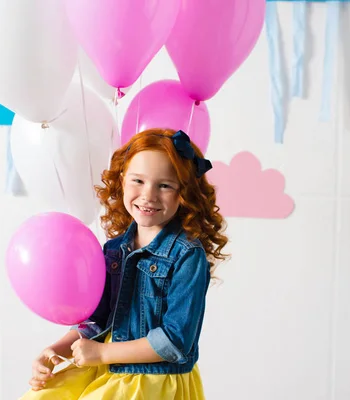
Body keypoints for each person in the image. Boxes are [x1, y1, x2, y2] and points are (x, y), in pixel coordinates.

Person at [19, 128, 229, 400]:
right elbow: (99, 320)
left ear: (183, 193)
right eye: (138, 181)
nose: (148, 195)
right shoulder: (115, 249)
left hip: (154, 380)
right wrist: (57, 349)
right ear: (121, 181)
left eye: (164, 185)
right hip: (106, 366)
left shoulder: (188, 255)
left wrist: (103, 353)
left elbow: (175, 341)